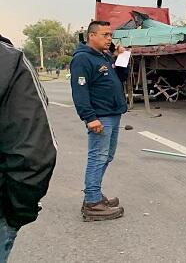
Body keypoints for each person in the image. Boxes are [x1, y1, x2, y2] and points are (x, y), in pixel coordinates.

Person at [0, 34, 57, 262]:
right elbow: (33, 156)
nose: (108, 39)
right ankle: (92, 199)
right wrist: (15, 216)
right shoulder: (9, 61)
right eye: (104, 35)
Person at [70, 21, 128, 221]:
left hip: (112, 112)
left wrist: (122, 58)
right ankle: (93, 203)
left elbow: (121, 78)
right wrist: (89, 118)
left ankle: (94, 195)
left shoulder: (103, 56)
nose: (109, 39)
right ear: (91, 36)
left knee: (107, 156)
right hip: (100, 116)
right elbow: (80, 92)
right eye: (105, 35)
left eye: (110, 35)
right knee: (98, 157)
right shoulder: (83, 59)